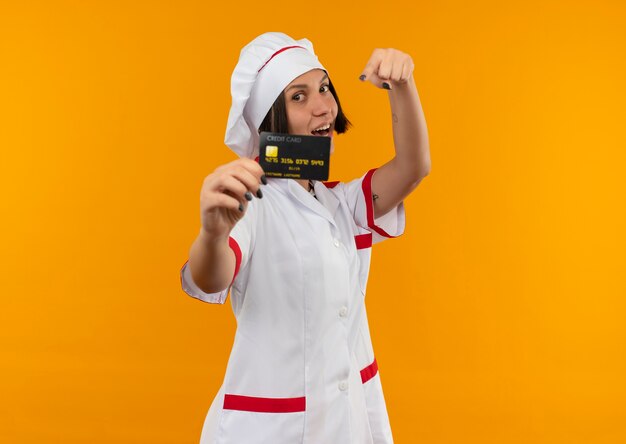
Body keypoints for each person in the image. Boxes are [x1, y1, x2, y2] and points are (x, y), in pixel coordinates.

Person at [180, 32, 430, 444]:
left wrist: (402, 86)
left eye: (324, 88)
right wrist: (213, 231)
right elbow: (212, 277)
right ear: (270, 122)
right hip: (270, 429)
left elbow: (413, 166)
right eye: (298, 96)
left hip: (346, 420)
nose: (323, 106)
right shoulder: (251, 201)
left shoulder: (343, 204)